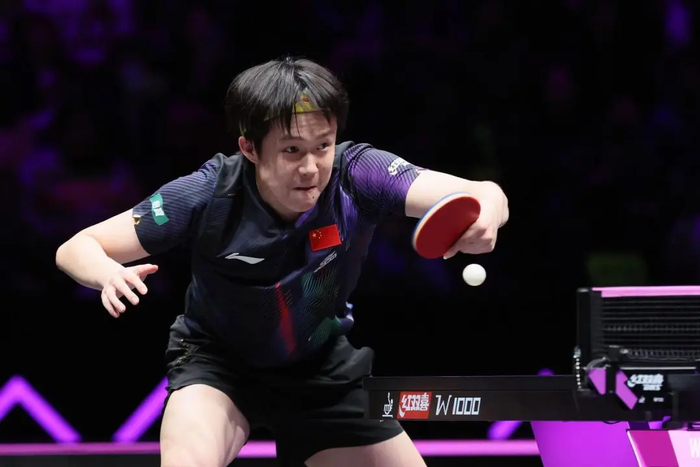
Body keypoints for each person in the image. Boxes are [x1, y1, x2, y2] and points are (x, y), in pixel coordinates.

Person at [55, 56, 509, 467]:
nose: (311, 167)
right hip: (217, 366)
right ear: (249, 148)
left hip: (321, 369)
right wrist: (106, 272)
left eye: (323, 146)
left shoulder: (358, 174)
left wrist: (488, 211)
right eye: (292, 150)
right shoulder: (208, 192)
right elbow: (77, 246)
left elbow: (482, 193)